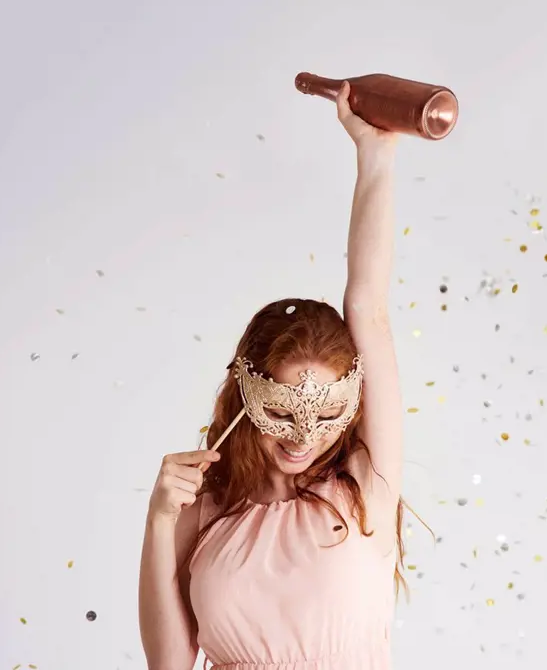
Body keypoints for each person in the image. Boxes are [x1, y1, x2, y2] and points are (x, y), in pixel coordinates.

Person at [139, 81, 408, 670]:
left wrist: (375, 154)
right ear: (245, 390)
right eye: (281, 412)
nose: (303, 435)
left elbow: (367, 305)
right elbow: (168, 664)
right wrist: (160, 520)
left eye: (328, 414)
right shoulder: (203, 508)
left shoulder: (366, 485)